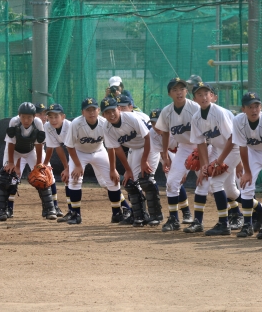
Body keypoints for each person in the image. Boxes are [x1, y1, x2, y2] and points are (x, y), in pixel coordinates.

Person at [188, 81, 246, 236]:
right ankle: (258, 209)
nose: (203, 97)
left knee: (215, 182)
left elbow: (232, 139)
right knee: (227, 189)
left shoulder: (219, 113)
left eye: (206, 94)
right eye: (199, 94)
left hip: (233, 148)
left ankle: (223, 224)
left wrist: (220, 162)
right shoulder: (196, 118)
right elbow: (201, 142)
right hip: (217, 148)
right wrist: (205, 166)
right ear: (194, 99)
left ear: (212, 96)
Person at [103, 97, 163, 227]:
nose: (111, 114)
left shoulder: (131, 118)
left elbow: (147, 137)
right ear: (103, 115)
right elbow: (117, 149)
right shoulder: (107, 128)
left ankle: (156, 215)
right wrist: (128, 170)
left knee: (146, 179)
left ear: (119, 109)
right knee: (130, 182)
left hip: (150, 144)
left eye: (113, 110)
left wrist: (144, 161)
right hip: (134, 148)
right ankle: (140, 216)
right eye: (107, 112)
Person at [63, 97, 124, 225]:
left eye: (94, 109)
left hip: (99, 151)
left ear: (98, 110)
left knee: (113, 180)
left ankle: (117, 213)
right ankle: (75, 214)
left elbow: (111, 147)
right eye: (88, 110)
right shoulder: (76, 124)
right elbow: (69, 146)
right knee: (74, 180)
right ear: (82, 112)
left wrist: (113, 169)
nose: (91, 112)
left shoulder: (104, 123)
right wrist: (78, 165)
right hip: (79, 152)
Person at [154, 78, 201, 232]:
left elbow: (206, 131)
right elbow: (165, 133)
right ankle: (174, 219)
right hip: (184, 148)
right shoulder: (167, 111)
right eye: (175, 90)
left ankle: (235, 213)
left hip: (203, 147)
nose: (179, 92)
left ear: (186, 91)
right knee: (172, 182)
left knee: (212, 184)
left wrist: (203, 153)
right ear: (169, 94)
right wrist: (165, 156)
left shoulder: (195, 108)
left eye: (182, 89)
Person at [233, 92, 262, 238]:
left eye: (256, 106)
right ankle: (247, 225)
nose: (254, 110)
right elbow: (242, 147)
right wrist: (247, 171)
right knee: (245, 185)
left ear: (261, 107)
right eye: (250, 107)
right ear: (243, 109)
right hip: (252, 153)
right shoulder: (238, 121)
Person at [0, 102, 48, 221]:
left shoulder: (38, 123)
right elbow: (11, 143)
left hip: (30, 150)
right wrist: (11, 163)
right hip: (14, 151)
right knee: (6, 176)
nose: (26, 120)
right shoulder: (14, 122)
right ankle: (3, 210)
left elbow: (39, 145)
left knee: (42, 175)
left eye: (29, 117)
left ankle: (49, 208)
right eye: (23, 116)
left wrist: (39, 165)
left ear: (34, 116)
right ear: (19, 115)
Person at [149, 108, 194, 231]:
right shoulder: (152, 133)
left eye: (158, 122)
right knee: (172, 181)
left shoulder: (175, 130)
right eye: (152, 123)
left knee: (176, 181)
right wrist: (165, 161)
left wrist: (184, 171)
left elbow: (185, 149)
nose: (155, 126)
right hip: (168, 154)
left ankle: (186, 212)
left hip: (185, 153)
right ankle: (181, 215)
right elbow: (161, 151)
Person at [42, 103, 71, 220]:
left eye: (56, 116)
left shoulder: (70, 126)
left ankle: (121, 205)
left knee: (105, 181)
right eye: (50, 117)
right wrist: (45, 164)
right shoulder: (47, 126)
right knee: (69, 180)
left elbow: (73, 148)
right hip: (73, 151)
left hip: (82, 150)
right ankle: (72, 211)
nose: (53, 120)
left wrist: (68, 168)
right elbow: (55, 147)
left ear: (63, 117)